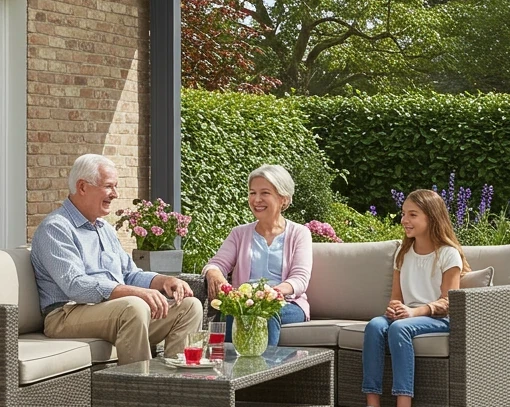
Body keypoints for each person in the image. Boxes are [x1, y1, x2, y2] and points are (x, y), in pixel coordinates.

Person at [31, 154, 202, 365]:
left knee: (189, 307)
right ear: (82, 187)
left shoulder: (105, 229)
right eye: (108, 186)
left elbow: (129, 274)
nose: (115, 194)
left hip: (113, 310)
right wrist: (134, 293)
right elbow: (74, 285)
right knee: (134, 306)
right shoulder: (56, 228)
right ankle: (138, 384)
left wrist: (163, 281)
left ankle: (175, 381)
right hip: (66, 314)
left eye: (116, 187)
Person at [353, 188, 468, 407]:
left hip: (439, 318)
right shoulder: (403, 253)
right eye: (403, 213)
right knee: (375, 325)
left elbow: (449, 302)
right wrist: (395, 308)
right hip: (408, 316)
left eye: (413, 215)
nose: (404, 220)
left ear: (432, 217)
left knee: (399, 328)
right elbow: (396, 297)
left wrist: (414, 312)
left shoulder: (448, 254)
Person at [201, 165, 312, 348]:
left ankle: (264, 366)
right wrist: (213, 272)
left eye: (265, 193)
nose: (256, 199)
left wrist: (271, 294)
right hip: (245, 303)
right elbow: (217, 263)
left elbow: (299, 279)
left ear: (283, 199)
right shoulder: (239, 233)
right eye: (252, 193)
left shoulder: (300, 233)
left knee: (264, 312)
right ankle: (228, 365)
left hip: (286, 303)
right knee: (234, 311)